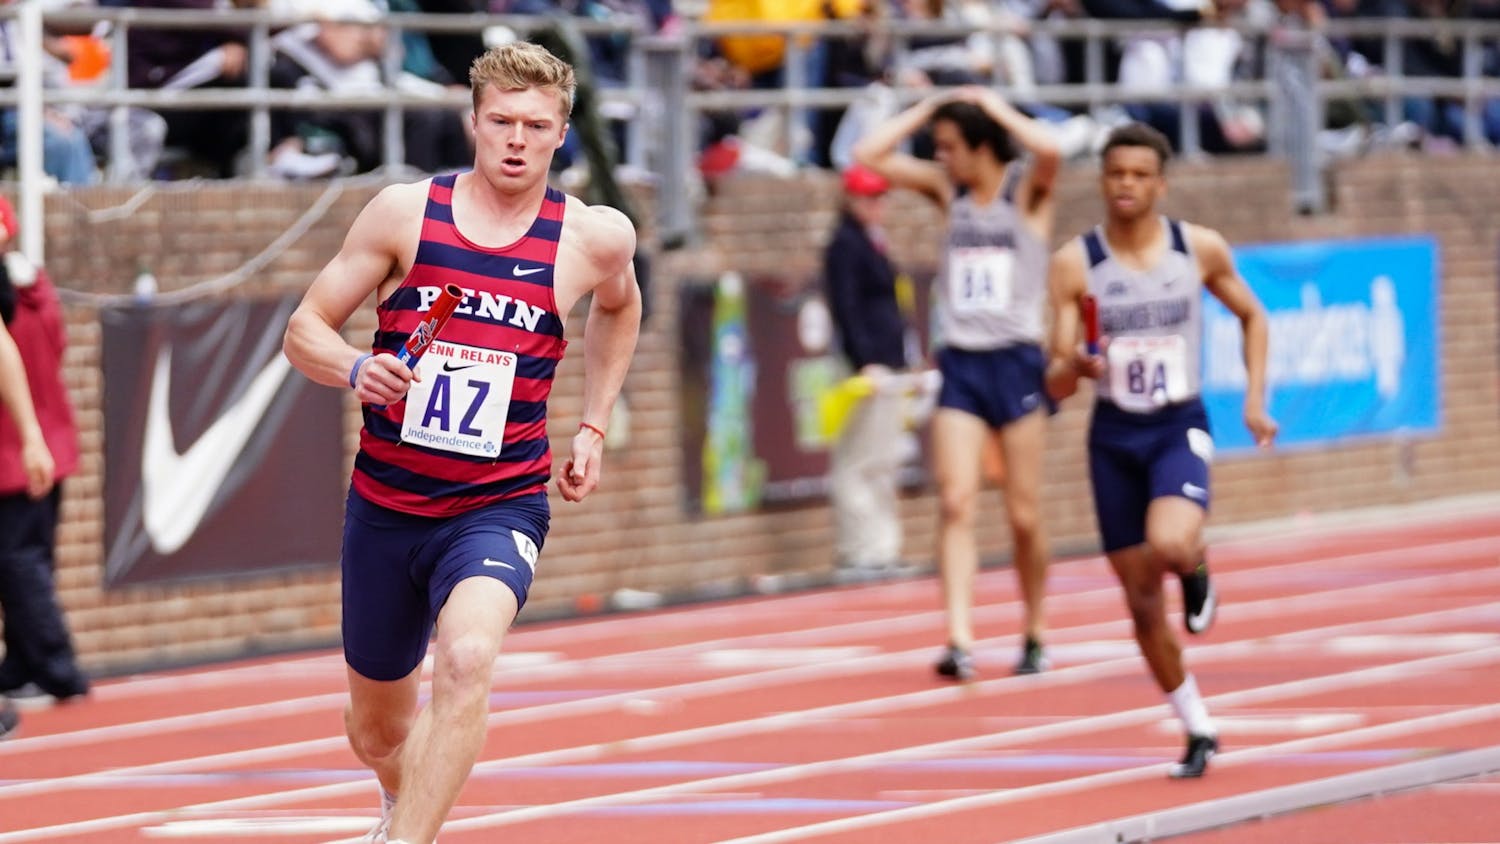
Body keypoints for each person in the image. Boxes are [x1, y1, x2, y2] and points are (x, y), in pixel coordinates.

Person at [282, 41, 642, 844]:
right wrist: (354, 367)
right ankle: (402, 804)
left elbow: (619, 309)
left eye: (536, 125)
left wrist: (593, 422)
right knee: (377, 731)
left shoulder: (593, 238)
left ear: (562, 133)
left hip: (498, 503)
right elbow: (303, 329)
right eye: (502, 122)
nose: (517, 139)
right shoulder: (405, 214)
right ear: (473, 123)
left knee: (469, 655)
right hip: (386, 503)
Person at [1042, 122, 1277, 778]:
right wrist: (1077, 367)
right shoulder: (1075, 263)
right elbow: (1057, 374)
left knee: (1170, 542)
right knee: (1142, 603)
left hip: (1177, 424)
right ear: (1103, 180)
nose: (1126, 185)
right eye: (1116, 173)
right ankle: (1197, 725)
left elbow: (1254, 315)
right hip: (1114, 436)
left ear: (1161, 183)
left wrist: (1254, 402)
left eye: (1140, 175)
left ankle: (1197, 569)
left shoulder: (1196, 248)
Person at [853, 86, 1061, 680]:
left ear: (979, 145)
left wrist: (989, 105)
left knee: (1023, 514)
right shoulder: (951, 193)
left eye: (949, 147)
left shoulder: (1028, 192)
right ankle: (961, 638)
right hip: (963, 363)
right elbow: (869, 155)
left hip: (1017, 359)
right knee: (955, 500)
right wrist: (930, 108)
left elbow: (1050, 149)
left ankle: (1036, 628)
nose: (940, 158)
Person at [0, 197, 90, 709]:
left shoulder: (14, 303)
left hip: (16, 451)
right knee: (28, 560)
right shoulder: (40, 292)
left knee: (20, 563)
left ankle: (56, 668)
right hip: (47, 443)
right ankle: (22, 662)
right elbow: (57, 348)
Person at [822, 164, 910, 580]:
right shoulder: (845, 245)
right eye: (868, 198)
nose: (877, 206)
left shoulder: (871, 242)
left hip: (887, 365)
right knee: (858, 462)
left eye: (880, 197)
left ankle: (882, 546)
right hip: (867, 370)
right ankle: (860, 549)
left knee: (882, 460)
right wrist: (864, 363)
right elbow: (847, 308)